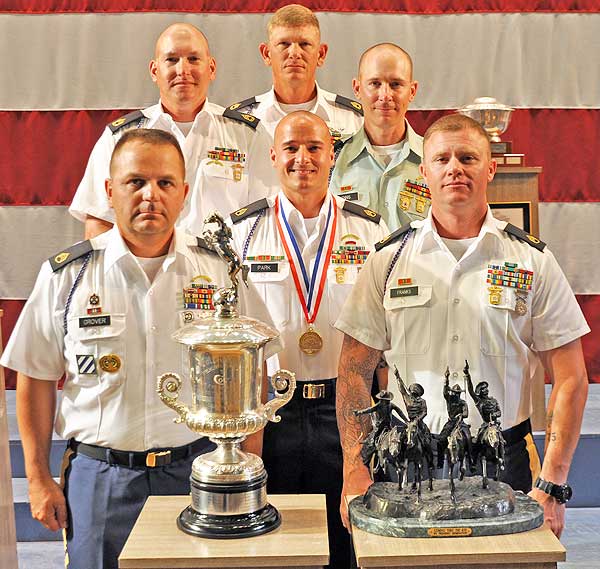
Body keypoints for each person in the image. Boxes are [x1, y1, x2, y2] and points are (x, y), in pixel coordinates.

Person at [1, 130, 280, 569]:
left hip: (197, 474)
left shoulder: (220, 270)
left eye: (165, 183)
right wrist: (37, 477)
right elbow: (34, 377)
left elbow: (254, 369)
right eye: (135, 182)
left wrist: (247, 465)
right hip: (101, 480)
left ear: (184, 194)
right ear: (110, 191)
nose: (151, 195)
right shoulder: (68, 277)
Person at [334, 114, 589, 538]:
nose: (455, 168)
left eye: (468, 157)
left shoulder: (530, 260)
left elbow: (571, 378)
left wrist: (553, 483)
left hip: (501, 456)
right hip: (406, 459)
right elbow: (354, 371)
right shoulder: (388, 259)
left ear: (490, 168)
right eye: (442, 159)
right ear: (424, 172)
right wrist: (354, 468)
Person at [228, 111, 387, 569]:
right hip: (271, 411)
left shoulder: (369, 231)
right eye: (292, 149)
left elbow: (383, 336)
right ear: (273, 157)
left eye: (314, 148)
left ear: (332, 155)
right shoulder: (242, 233)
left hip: (348, 405)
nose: (303, 159)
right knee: (275, 542)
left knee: (350, 539)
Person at [69, 22, 275, 239]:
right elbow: (99, 223)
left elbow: (267, 218)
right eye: (172, 59)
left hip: (224, 270)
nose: (183, 70)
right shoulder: (120, 137)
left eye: (193, 59)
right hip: (145, 271)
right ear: (154, 70)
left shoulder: (248, 135)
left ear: (211, 68)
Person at [226, 4, 363, 141]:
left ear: (321, 54)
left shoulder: (354, 120)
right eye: (284, 44)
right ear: (266, 54)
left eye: (304, 44)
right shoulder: (237, 122)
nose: (295, 53)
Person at [330, 43, 426, 231]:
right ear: (357, 88)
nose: (385, 95)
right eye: (375, 84)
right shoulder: (331, 159)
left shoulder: (436, 159)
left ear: (412, 91)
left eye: (395, 84)